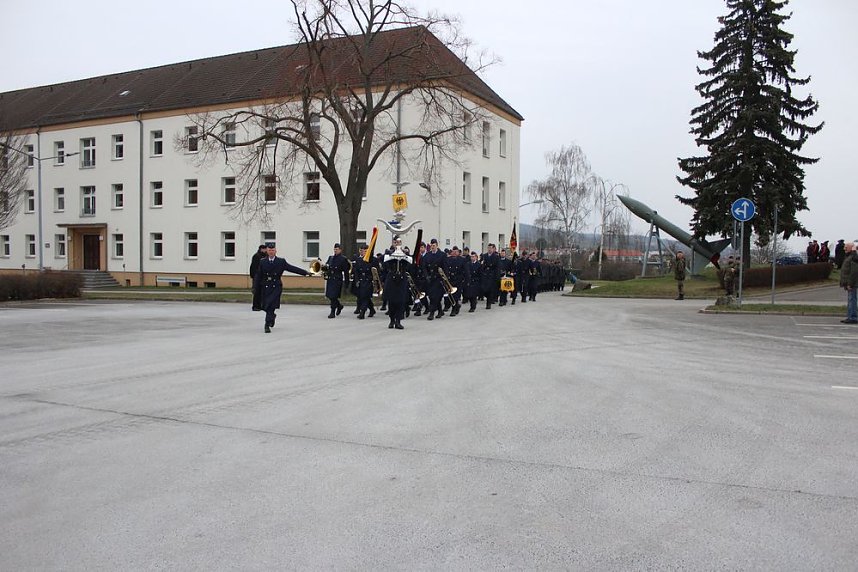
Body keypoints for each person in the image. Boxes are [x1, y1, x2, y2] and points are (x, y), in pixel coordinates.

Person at [258, 242, 312, 333]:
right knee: (266, 306)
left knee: (271, 306)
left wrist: (305, 272)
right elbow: (259, 275)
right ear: (267, 251)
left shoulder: (281, 261)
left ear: (276, 251)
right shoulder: (263, 261)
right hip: (266, 286)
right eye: (269, 250)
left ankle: (267, 325)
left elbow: (292, 268)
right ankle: (272, 317)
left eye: (273, 250)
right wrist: (255, 287)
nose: (271, 252)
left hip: (276, 287)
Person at [383, 236, 412, 330]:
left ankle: (398, 321)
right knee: (391, 301)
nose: (397, 244)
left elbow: (409, 264)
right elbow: (386, 264)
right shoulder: (389, 252)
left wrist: (404, 254)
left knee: (400, 301)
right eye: (396, 242)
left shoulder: (405, 253)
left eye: (399, 242)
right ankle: (391, 320)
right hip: (392, 278)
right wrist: (394, 255)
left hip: (402, 279)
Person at [421, 238, 447, 320]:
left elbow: (445, 267)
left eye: (434, 245)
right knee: (432, 296)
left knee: (435, 297)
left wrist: (444, 278)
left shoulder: (442, 255)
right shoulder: (427, 255)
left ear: (437, 245)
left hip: (438, 279)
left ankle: (431, 313)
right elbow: (424, 267)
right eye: (431, 245)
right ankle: (440, 311)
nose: (432, 247)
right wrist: (426, 276)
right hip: (430, 279)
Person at [324, 243, 350, 319]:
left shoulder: (343, 259)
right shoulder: (331, 258)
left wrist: (347, 282)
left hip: (337, 279)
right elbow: (327, 267)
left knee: (333, 296)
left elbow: (346, 271)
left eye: (337, 249)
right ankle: (339, 306)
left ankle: (332, 312)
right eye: (334, 249)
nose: (335, 251)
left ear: (340, 250)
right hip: (330, 278)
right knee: (330, 296)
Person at [351, 244, 377, 319]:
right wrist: (357, 280)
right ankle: (372, 310)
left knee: (365, 297)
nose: (365, 252)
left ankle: (362, 313)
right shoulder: (359, 260)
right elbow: (356, 271)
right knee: (364, 296)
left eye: (366, 251)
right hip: (361, 280)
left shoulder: (373, 259)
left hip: (369, 281)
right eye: (364, 251)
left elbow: (376, 271)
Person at [443, 246, 469, 316]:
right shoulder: (447, 259)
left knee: (456, 296)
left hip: (458, 280)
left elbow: (466, 271)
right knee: (450, 295)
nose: (454, 253)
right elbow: (445, 269)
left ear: (458, 252)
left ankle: (454, 309)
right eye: (453, 252)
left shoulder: (462, 260)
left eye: (456, 252)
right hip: (450, 280)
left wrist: (466, 281)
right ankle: (456, 306)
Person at [840, 242, 857, 324]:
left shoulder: (853, 257)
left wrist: (850, 283)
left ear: (851, 248)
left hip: (851, 283)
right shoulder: (849, 256)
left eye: (846, 247)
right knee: (850, 300)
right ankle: (850, 316)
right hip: (848, 283)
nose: (844, 248)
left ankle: (853, 317)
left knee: (852, 300)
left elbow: (853, 272)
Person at [480, 243, 500, 309]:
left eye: (491, 248)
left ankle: (488, 303)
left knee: (490, 290)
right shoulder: (484, 256)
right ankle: (488, 298)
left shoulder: (496, 256)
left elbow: (497, 267)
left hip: (492, 275)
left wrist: (497, 277)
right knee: (483, 289)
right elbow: (481, 264)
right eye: (488, 248)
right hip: (485, 275)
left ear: (493, 249)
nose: (489, 249)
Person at [249, 244, 268, 311]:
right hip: (257, 276)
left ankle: (261, 305)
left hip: (264, 276)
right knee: (256, 292)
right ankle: (255, 306)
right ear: (261, 249)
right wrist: (254, 276)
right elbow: (253, 267)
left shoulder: (266, 256)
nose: (266, 250)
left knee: (263, 292)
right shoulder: (256, 256)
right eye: (265, 249)